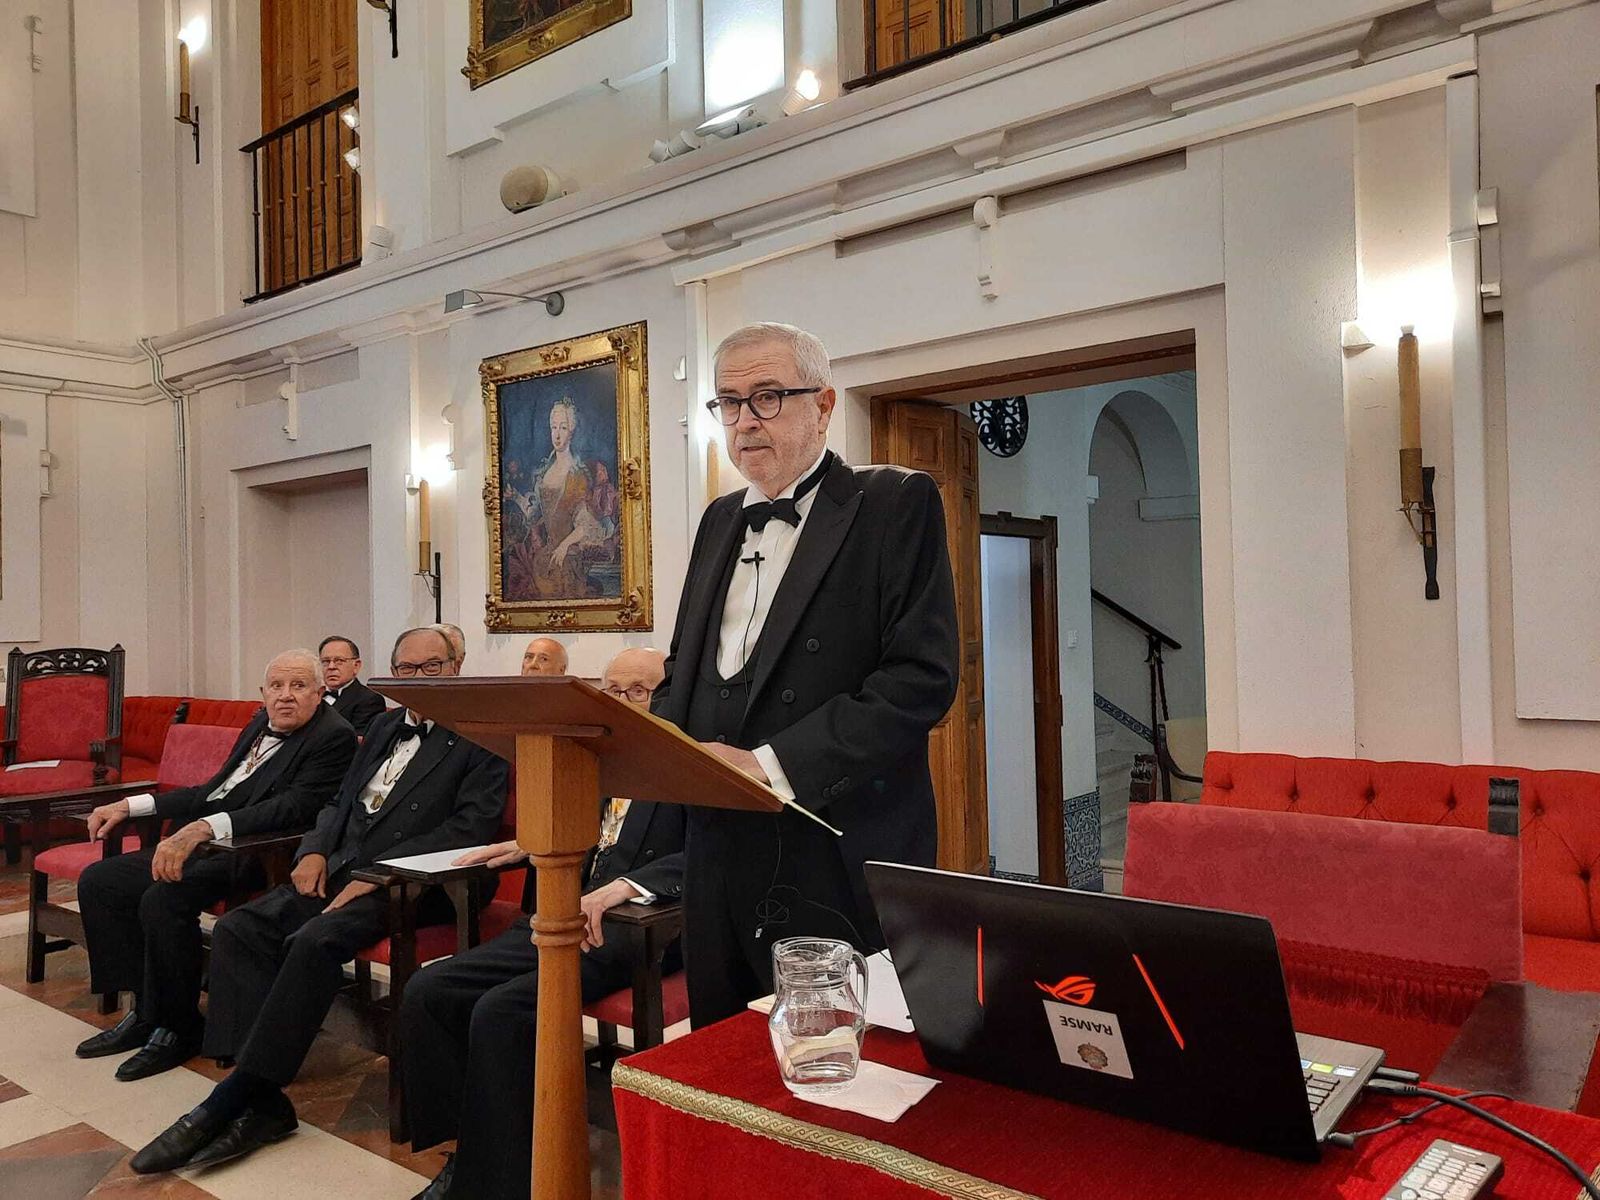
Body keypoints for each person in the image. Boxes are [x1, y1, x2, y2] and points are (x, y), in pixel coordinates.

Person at [652, 321, 959, 1027]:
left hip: (834, 848)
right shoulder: (717, 520)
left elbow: (921, 681)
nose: (743, 421)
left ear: (822, 406)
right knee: (724, 1063)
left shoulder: (893, 504)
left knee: (833, 1073)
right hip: (718, 856)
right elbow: (684, 672)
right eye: (727, 403)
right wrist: (658, 753)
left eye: (766, 397)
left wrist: (768, 766)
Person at [128, 627, 508, 1175]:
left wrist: (379, 874)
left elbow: (471, 828)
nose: (418, 679)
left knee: (313, 940)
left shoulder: (484, 735)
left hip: (422, 885)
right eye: (406, 669)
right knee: (243, 929)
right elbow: (335, 802)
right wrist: (314, 850)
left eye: (432, 668)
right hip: (343, 867)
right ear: (391, 674)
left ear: (456, 667)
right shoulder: (380, 727)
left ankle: (237, 1097)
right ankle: (264, 1102)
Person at [400, 647, 682, 1200]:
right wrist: (529, 843)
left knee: (500, 1010)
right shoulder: (598, 752)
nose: (622, 704)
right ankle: (469, 1144)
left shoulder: (684, 758)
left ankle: (492, 1183)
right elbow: (576, 826)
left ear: (666, 696)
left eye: (638, 693)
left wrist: (627, 886)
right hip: (562, 915)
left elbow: (710, 856)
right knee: (429, 989)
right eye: (612, 691)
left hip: (636, 926)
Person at [73, 650, 357, 1080]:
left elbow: (292, 807)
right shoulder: (259, 725)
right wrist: (131, 805)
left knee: (163, 899)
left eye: (298, 687)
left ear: (320, 693)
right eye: (276, 687)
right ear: (262, 694)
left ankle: (178, 1027)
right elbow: (213, 789)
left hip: (259, 853)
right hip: (209, 841)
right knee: (101, 882)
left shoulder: (332, 737)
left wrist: (203, 829)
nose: (285, 697)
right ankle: (146, 1011)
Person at [317, 635, 387, 735]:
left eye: (339, 661)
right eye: (325, 661)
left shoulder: (370, 700)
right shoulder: (312, 696)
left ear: (356, 666)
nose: (331, 667)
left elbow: (360, 742)